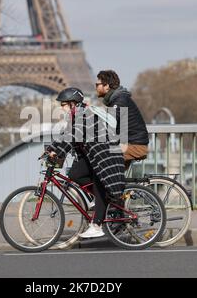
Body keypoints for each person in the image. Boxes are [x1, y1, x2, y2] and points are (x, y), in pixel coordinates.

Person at [45, 87, 126, 238]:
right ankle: (103, 199)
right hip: (94, 157)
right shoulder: (76, 115)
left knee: (99, 183)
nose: (61, 108)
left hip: (106, 157)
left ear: (72, 103)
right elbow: (67, 134)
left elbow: (73, 135)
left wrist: (58, 152)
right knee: (75, 173)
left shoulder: (85, 114)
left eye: (63, 104)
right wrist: (50, 149)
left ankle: (97, 225)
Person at [95, 70, 149, 170]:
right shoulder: (117, 99)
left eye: (97, 84)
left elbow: (109, 122)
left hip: (134, 146)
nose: (96, 88)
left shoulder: (120, 100)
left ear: (106, 86)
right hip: (129, 143)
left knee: (100, 160)